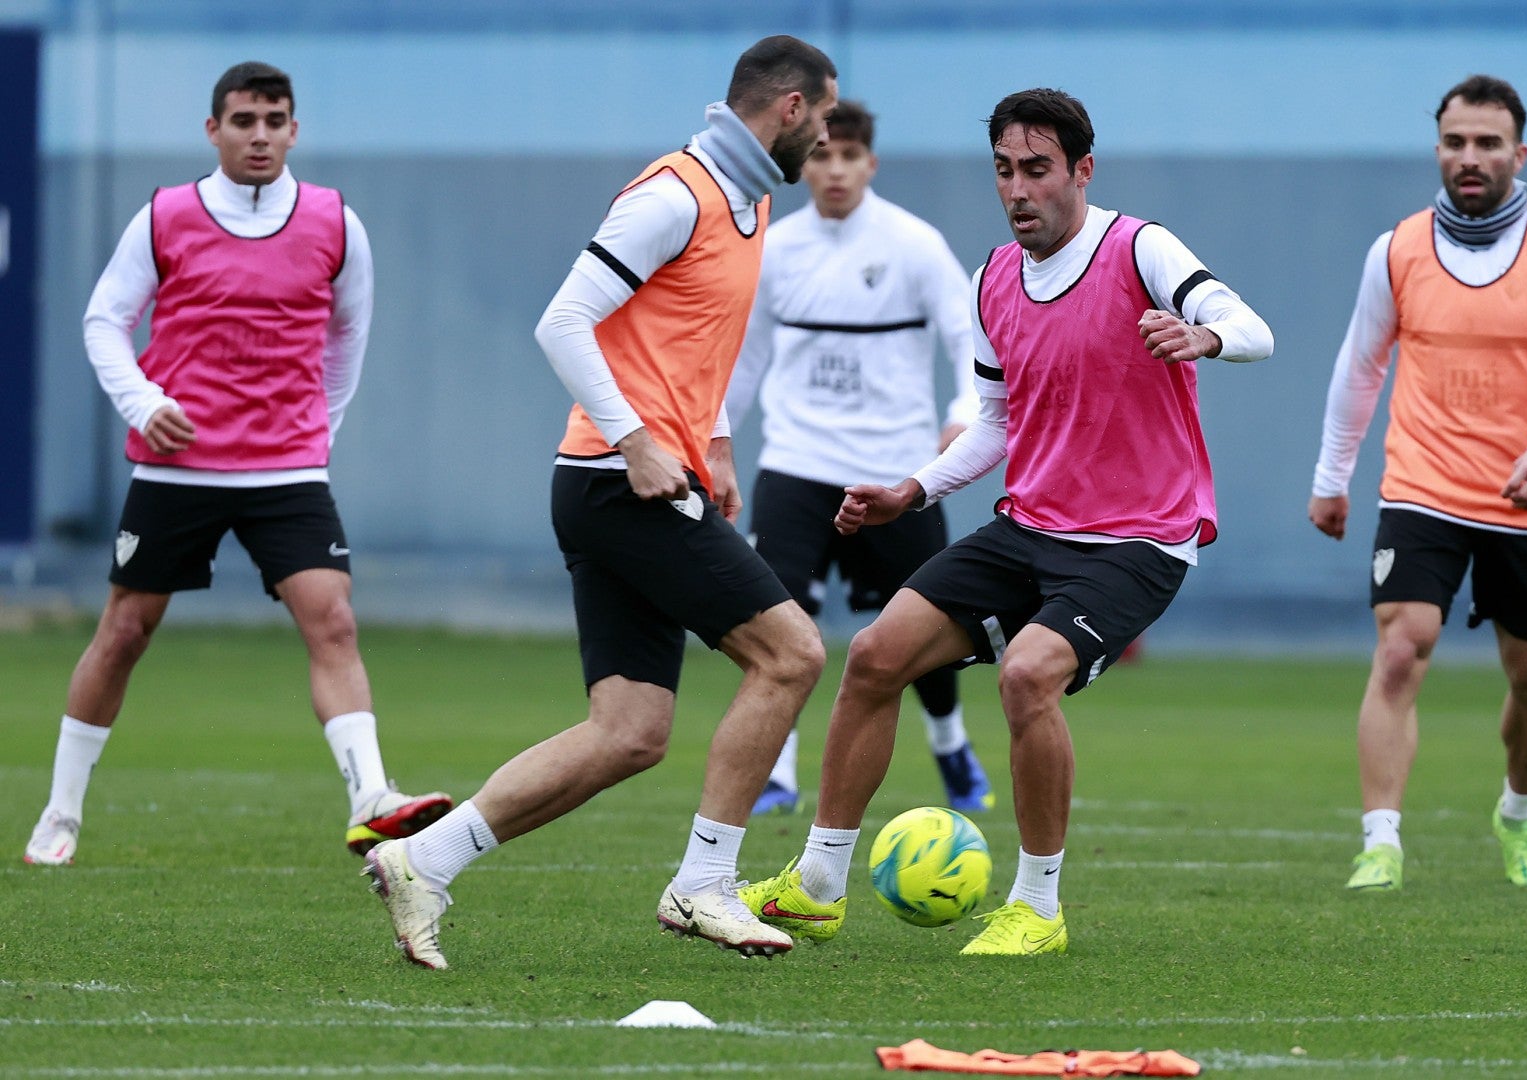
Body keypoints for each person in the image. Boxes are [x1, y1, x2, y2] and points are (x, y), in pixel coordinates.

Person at [740, 88, 1273, 956]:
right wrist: (912, 490)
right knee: (874, 657)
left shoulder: (1140, 248)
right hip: (1031, 526)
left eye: (1037, 169)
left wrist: (1203, 338)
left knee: (1027, 675)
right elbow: (996, 420)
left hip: (1138, 538)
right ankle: (817, 886)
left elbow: (1254, 328)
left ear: (1081, 171)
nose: (1018, 189)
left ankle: (1037, 907)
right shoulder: (995, 276)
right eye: (1003, 171)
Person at [361, 35, 838, 969]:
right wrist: (635, 440)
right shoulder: (674, 194)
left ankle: (423, 858)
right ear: (787, 107)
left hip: (638, 479)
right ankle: (704, 885)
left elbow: (687, 342)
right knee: (792, 654)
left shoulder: (751, 201)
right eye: (821, 117)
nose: (826, 136)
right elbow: (563, 319)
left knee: (629, 733)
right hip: (614, 484)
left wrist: (713, 441)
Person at [21, 62, 452, 868]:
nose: (260, 136)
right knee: (123, 633)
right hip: (177, 469)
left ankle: (371, 797)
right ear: (213, 129)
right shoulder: (165, 217)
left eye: (275, 121)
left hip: (286, 470)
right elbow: (103, 321)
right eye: (245, 121)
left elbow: (348, 338)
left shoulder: (335, 222)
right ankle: (60, 812)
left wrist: (321, 432)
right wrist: (145, 403)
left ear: (295, 131)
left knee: (334, 620)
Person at [1307, 75, 1527, 892]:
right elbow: (1360, 367)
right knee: (1402, 648)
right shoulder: (1398, 249)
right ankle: (1380, 842)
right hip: (1422, 487)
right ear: (1438, 150)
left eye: (1487, 144)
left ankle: (1518, 812)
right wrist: (1332, 476)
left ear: (1519, 154)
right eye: (1455, 142)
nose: (1469, 157)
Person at [724, 99, 994, 819]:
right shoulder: (776, 249)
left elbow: (968, 338)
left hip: (896, 472)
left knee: (921, 630)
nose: (835, 170)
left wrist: (963, 414)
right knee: (778, 620)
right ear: (803, 162)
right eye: (821, 156)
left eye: (849, 157)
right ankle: (778, 772)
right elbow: (743, 362)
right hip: (796, 462)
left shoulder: (914, 244)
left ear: (870, 163)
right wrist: (713, 441)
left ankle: (950, 744)